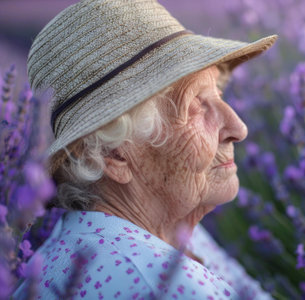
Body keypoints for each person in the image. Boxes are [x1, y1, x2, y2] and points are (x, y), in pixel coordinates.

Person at [14, 0, 277, 299]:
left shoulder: (172, 230)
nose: (239, 127)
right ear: (113, 154)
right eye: (196, 106)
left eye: (217, 94)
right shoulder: (165, 286)